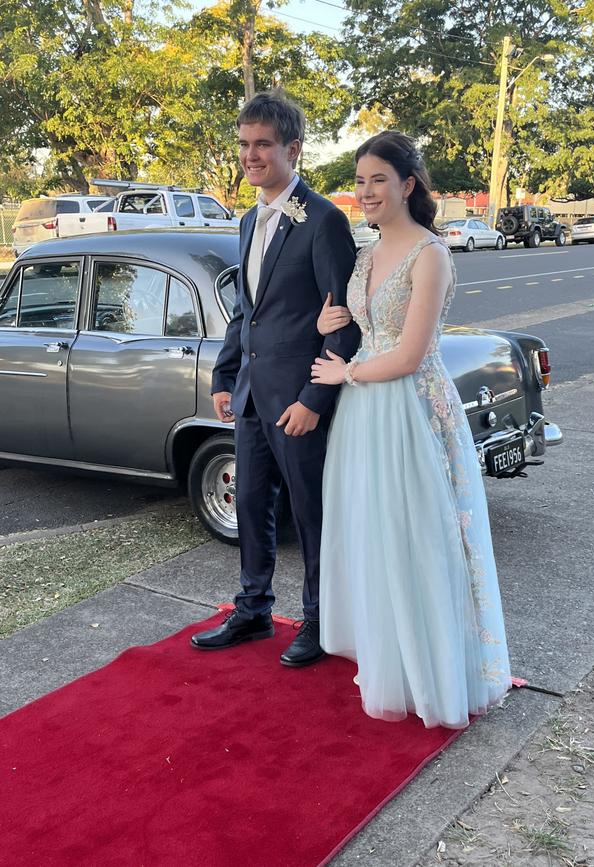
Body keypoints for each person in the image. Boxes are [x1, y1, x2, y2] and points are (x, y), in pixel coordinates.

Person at [311, 131, 511, 728]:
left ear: (407, 184)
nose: (366, 191)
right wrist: (333, 318)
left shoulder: (431, 253)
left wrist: (347, 372)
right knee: (374, 530)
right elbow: (363, 322)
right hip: (365, 410)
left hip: (411, 408)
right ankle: (389, 655)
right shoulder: (367, 253)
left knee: (419, 532)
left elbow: (413, 353)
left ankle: (436, 670)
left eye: (378, 179)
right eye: (360, 180)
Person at [191, 91, 360, 666]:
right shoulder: (246, 220)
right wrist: (223, 374)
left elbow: (345, 321)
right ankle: (254, 609)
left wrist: (316, 396)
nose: (250, 155)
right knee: (250, 503)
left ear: (293, 148)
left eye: (262, 144)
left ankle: (320, 620)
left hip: (300, 401)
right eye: (244, 144)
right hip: (251, 397)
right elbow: (247, 310)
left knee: (311, 512)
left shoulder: (325, 221)